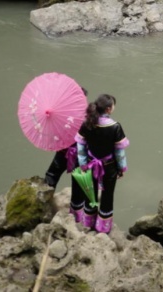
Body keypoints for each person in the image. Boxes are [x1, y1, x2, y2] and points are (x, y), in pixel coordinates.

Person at [75, 94, 129, 234]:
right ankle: (103, 226)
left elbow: (80, 147)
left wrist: (83, 165)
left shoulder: (87, 123)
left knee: (90, 192)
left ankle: (88, 221)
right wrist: (122, 168)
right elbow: (119, 152)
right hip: (109, 166)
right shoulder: (115, 127)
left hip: (90, 164)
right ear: (108, 109)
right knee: (107, 195)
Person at [43, 87, 88, 223]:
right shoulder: (86, 117)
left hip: (63, 151)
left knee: (51, 175)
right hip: (79, 155)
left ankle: (44, 205)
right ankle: (76, 217)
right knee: (78, 184)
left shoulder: (60, 114)